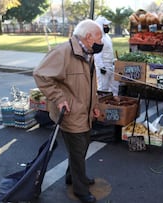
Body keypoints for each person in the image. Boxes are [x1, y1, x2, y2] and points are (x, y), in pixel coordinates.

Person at [33, 19, 103, 203]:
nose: (101, 42)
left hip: (84, 111)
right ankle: (80, 189)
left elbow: (90, 84)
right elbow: (41, 74)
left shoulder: (88, 52)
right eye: (99, 37)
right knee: (78, 151)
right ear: (88, 37)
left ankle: (72, 176)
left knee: (81, 147)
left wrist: (95, 105)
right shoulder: (63, 52)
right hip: (71, 113)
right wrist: (58, 98)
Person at [94, 16, 120, 96]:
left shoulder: (107, 37)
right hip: (103, 66)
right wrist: (101, 66)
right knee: (103, 88)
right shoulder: (98, 37)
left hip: (110, 65)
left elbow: (109, 51)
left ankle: (112, 103)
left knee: (113, 86)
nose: (107, 27)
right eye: (105, 25)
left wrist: (113, 61)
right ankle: (101, 105)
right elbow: (97, 54)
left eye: (107, 25)